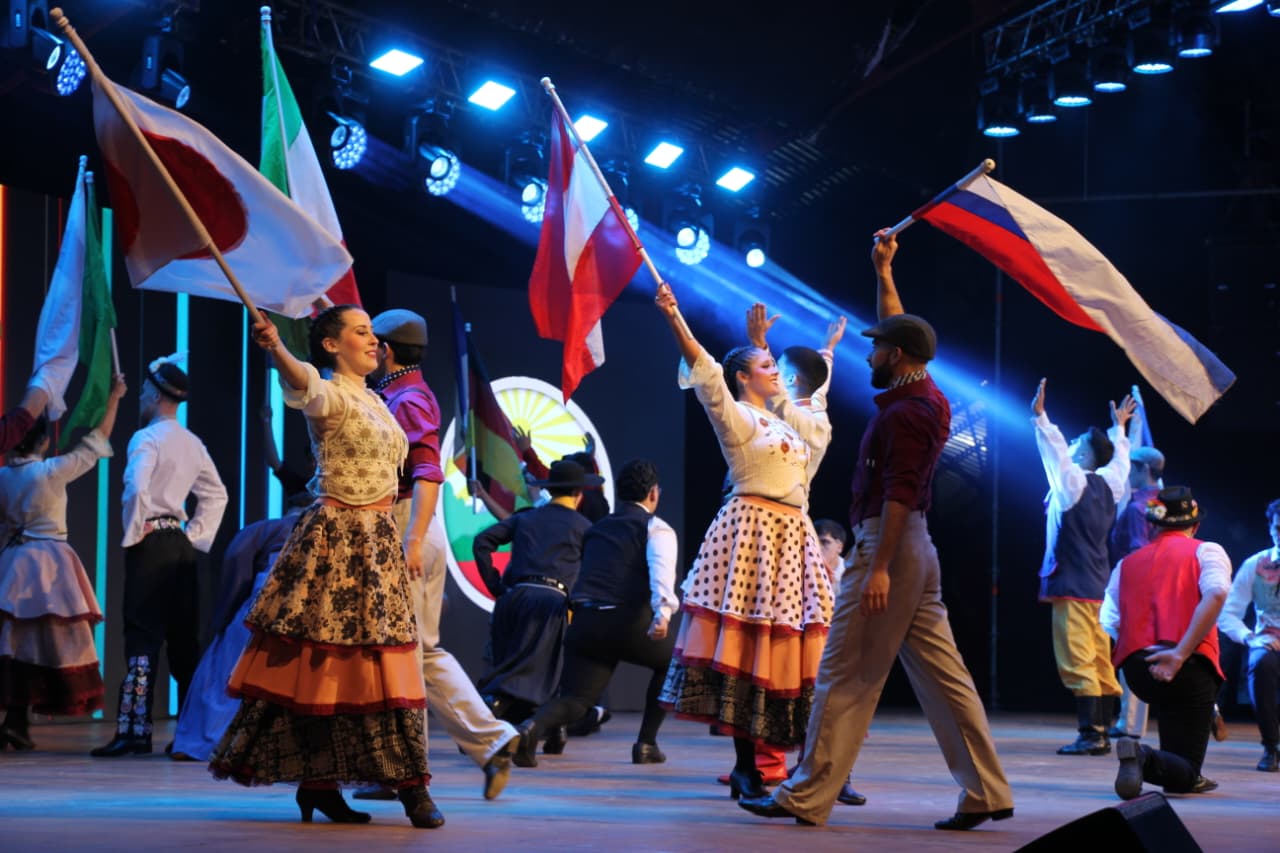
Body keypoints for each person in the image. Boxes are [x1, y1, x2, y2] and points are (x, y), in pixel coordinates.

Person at [740, 229, 1012, 830]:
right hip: (915, 548)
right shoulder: (917, 391)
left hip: (893, 543)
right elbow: (900, 326)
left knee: (843, 670)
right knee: (945, 677)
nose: (869, 355)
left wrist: (880, 566)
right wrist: (885, 271)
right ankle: (986, 790)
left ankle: (806, 795)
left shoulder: (913, 414)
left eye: (877, 350)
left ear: (900, 357)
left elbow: (900, 495)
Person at [209, 306, 443, 830]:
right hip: (336, 540)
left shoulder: (383, 403)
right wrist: (276, 347)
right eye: (361, 332)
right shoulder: (331, 395)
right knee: (327, 667)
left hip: (378, 542)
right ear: (333, 346)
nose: (373, 340)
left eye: (374, 334)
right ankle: (331, 787)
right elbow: (303, 382)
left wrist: (413, 535)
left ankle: (405, 785)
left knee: (388, 662)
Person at [654, 281, 834, 804]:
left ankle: (802, 764)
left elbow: (812, 401)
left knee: (793, 651)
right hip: (753, 532)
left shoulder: (784, 420)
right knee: (747, 647)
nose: (774, 367)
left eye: (773, 363)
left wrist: (824, 355)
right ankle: (745, 767)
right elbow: (706, 370)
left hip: (792, 536)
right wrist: (674, 317)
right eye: (764, 363)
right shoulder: (735, 417)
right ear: (742, 377)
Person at [363, 308, 520, 801]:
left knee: (406, 651)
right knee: (415, 651)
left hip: (407, 522)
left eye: (373, 343)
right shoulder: (404, 393)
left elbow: (426, 468)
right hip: (411, 525)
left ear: (387, 350)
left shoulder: (406, 398)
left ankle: (460, 750)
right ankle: (405, 767)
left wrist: (411, 536)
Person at [92, 354, 228, 758]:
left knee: (142, 635)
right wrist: (195, 537)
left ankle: (134, 731)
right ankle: (189, 735)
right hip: (181, 548)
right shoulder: (192, 442)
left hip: (151, 543)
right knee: (184, 640)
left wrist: (134, 534)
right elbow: (216, 494)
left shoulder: (146, 438)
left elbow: (136, 487)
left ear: (153, 392)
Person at [511, 458, 678, 767]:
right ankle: (646, 744)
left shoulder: (597, 529)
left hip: (586, 623)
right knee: (672, 663)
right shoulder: (657, 528)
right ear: (653, 493)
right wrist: (663, 613)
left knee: (576, 701)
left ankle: (530, 728)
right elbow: (660, 573)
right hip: (626, 623)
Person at [0, 374, 125, 749]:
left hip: (11, 565)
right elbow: (95, 443)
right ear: (41, 441)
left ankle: (16, 721)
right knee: (49, 645)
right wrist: (115, 397)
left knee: (15, 644)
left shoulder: (3, 476)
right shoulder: (49, 472)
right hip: (48, 566)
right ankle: (17, 722)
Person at [1102, 486, 1230, 799]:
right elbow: (1217, 594)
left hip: (1140, 672)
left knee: (1177, 753)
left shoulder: (1126, 564)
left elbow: (1108, 619)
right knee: (1185, 774)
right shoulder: (1207, 551)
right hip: (1190, 669)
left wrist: (1144, 650)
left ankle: (1154, 761)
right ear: (1195, 524)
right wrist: (1177, 653)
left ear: (1153, 525)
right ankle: (1144, 756)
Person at [1031, 378, 1134, 756]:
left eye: (1078, 443)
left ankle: (1092, 734)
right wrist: (1118, 429)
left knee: (1077, 656)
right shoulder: (1110, 485)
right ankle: (1104, 728)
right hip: (1096, 585)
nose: (1072, 445)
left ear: (1086, 455)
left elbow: (1055, 455)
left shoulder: (1072, 482)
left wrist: (1042, 419)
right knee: (1096, 655)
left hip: (1073, 583)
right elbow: (1121, 463)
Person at [170, 496, 308, 761]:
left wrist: (222, 618)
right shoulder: (330, 533)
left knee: (224, 667)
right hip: (309, 610)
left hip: (264, 604)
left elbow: (237, 567)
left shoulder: (267, 528)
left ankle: (213, 741)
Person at [473, 459, 598, 725]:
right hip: (551, 605)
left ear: (550, 490)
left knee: (507, 664)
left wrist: (497, 587)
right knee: (541, 675)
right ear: (579, 494)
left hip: (513, 599)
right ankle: (495, 712)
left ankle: (491, 717)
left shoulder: (526, 517)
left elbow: (482, 541)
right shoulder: (585, 528)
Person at [1105, 445, 1165, 741]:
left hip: (1140, 589)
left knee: (1132, 651)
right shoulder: (1164, 505)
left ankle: (1129, 723)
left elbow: (1138, 553)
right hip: (1168, 589)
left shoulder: (1137, 508)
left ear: (1143, 469)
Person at [1217, 498, 1280, 772]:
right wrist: (1249, 637)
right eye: (1278, 527)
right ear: (1271, 528)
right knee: (1260, 665)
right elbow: (1228, 612)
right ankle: (1271, 746)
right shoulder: (1256, 565)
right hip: (1269, 640)